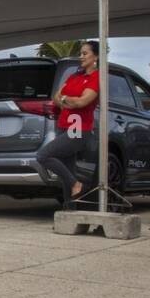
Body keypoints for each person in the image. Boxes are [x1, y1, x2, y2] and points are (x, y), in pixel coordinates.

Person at [35, 40, 100, 208]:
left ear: (96, 56)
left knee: (43, 155)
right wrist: (66, 100)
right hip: (63, 126)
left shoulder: (96, 77)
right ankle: (70, 211)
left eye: (85, 53)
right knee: (67, 169)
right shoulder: (74, 76)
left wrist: (66, 100)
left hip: (77, 127)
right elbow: (57, 97)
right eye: (81, 53)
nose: (81, 57)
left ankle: (76, 184)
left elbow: (82, 102)